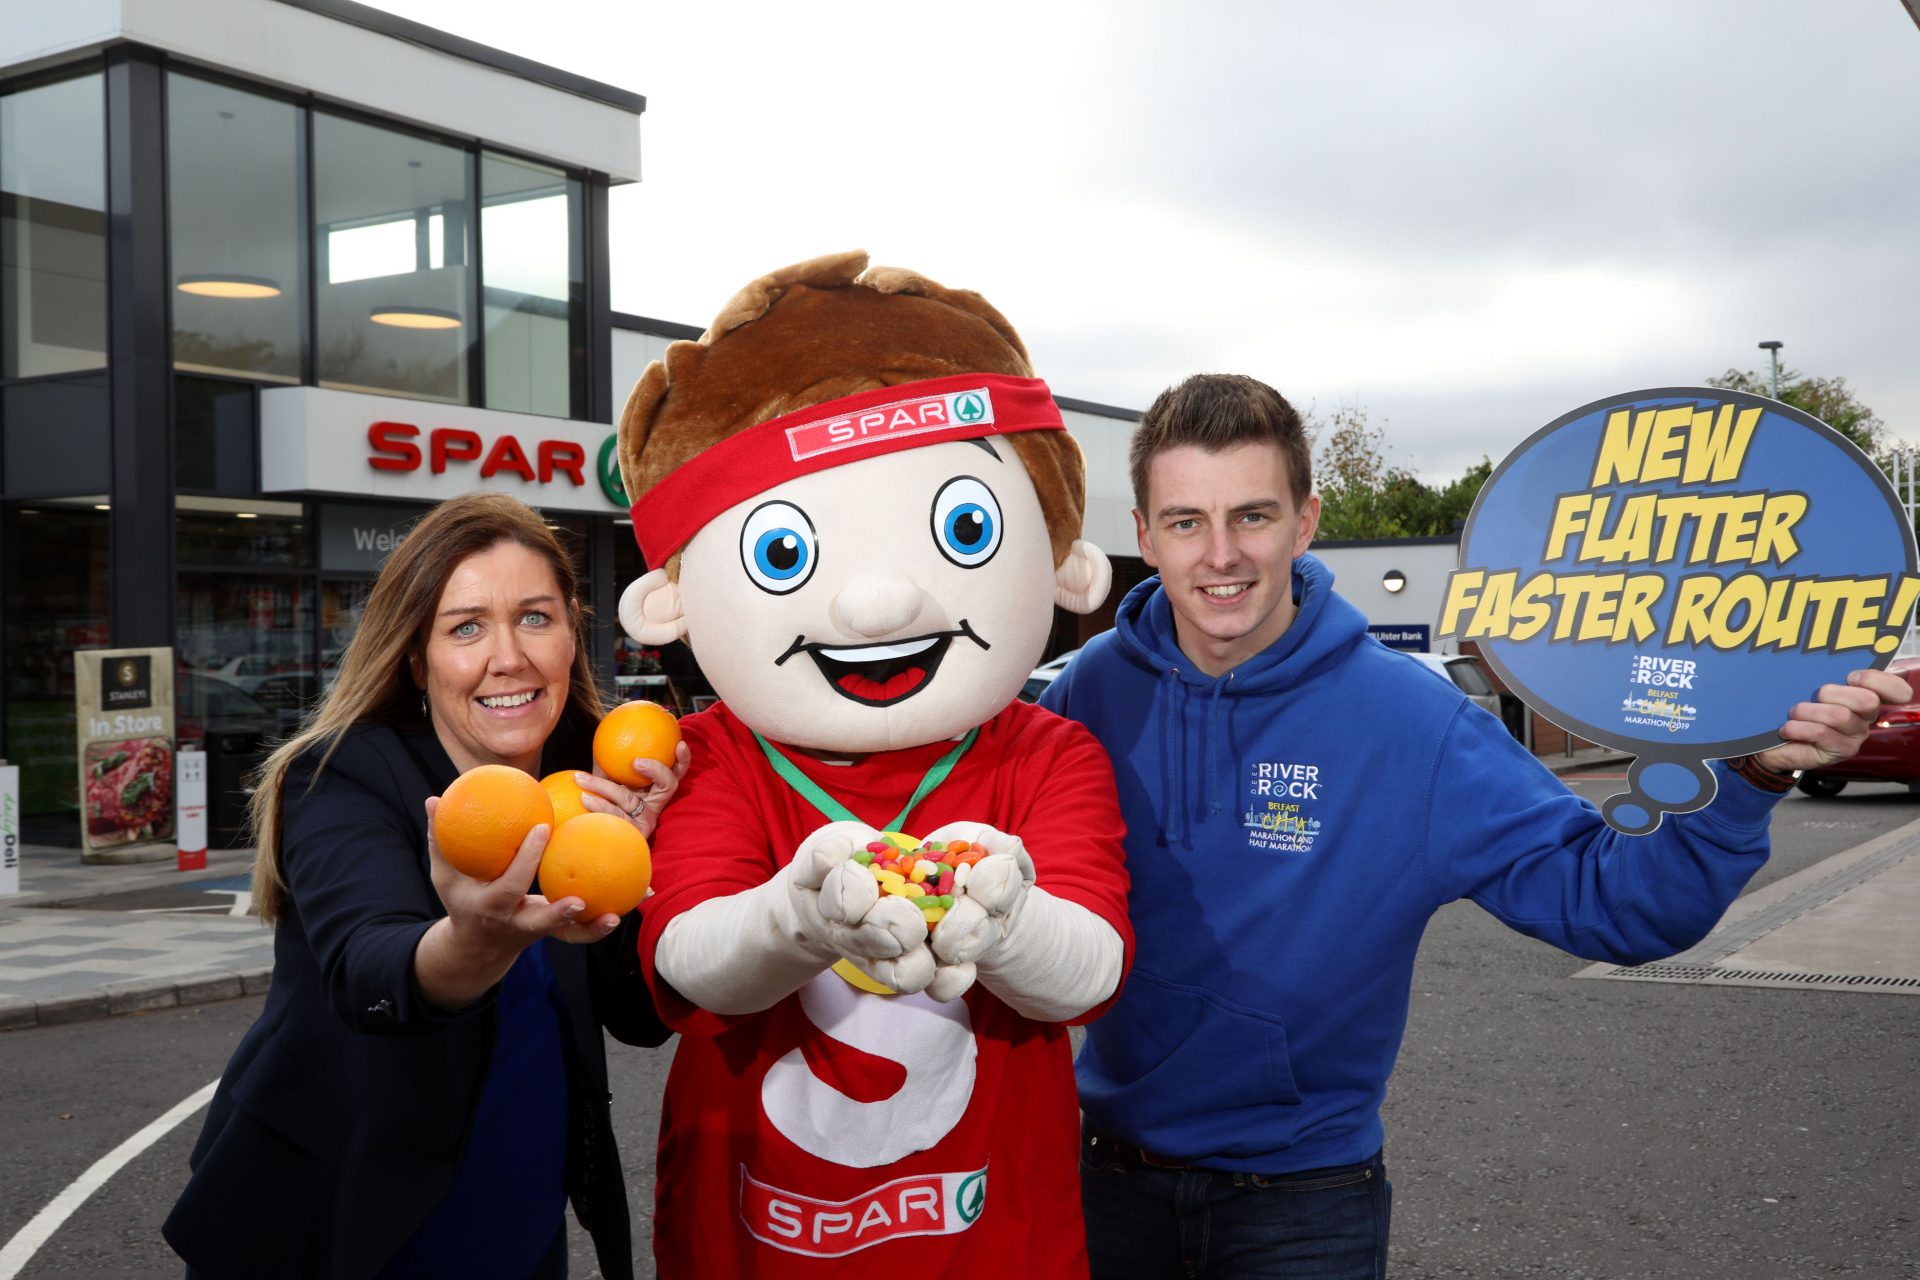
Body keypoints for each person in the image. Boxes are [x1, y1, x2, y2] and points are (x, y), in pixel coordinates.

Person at [1039, 373, 1910, 1280]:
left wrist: (1757, 768)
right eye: (1186, 523)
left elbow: (1616, 904)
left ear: (1305, 524)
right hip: (1102, 1180)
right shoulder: (1087, 695)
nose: (1220, 554)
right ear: (1142, 535)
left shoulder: (1413, 720)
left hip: (1301, 1205)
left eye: (1253, 516)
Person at [614, 251, 1131, 1276]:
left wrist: (1007, 914)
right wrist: (800, 915)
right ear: (671, 597)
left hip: (996, 1243)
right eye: (783, 552)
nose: (881, 606)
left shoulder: (1046, 752)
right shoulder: (713, 755)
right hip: (754, 1237)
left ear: (1063, 564)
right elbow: (691, 953)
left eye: (965, 527)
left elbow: (1089, 968)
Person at [164, 491, 686, 1280]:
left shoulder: (594, 779)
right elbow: (368, 971)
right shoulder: (341, 776)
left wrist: (652, 868)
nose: (508, 656)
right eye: (466, 627)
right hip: (338, 1224)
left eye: (536, 617)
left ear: (573, 637)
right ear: (417, 657)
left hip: (516, 1218)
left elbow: (641, 1018)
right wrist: (474, 943)